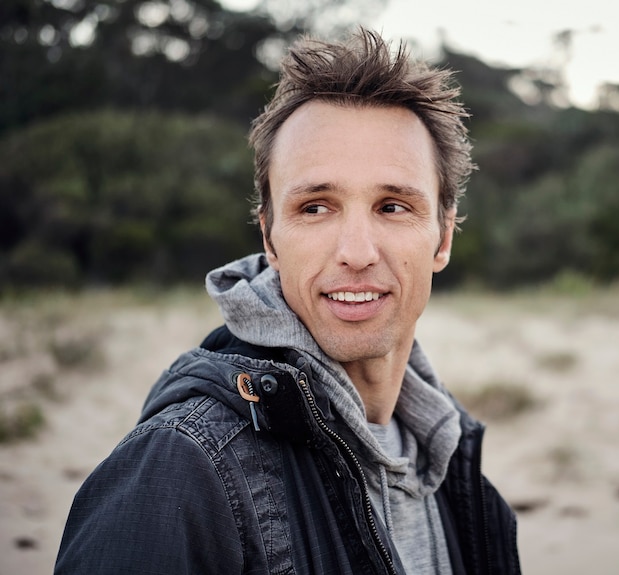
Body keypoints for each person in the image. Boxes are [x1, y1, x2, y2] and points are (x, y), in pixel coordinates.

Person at [55, 27, 521, 575]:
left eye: (392, 206)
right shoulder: (180, 467)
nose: (356, 252)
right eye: (315, 207)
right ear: (270, 238)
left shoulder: (459, 471)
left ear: (442, 238)